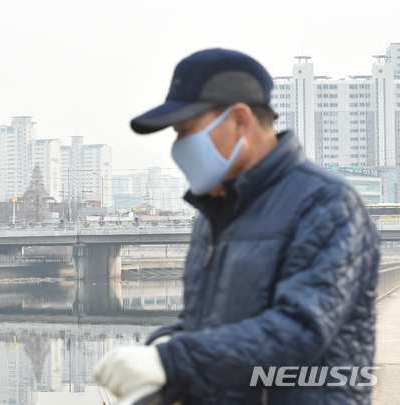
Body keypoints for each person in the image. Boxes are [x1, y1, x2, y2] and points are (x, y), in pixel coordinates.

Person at [93, 48, 380, 404]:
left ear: (240, 120)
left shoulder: (326, 204)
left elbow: (299, 329)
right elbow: (206, 326)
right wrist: (167, 344)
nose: (178, 147)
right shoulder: (213, 215)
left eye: (186, 131)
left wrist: (173, 360)